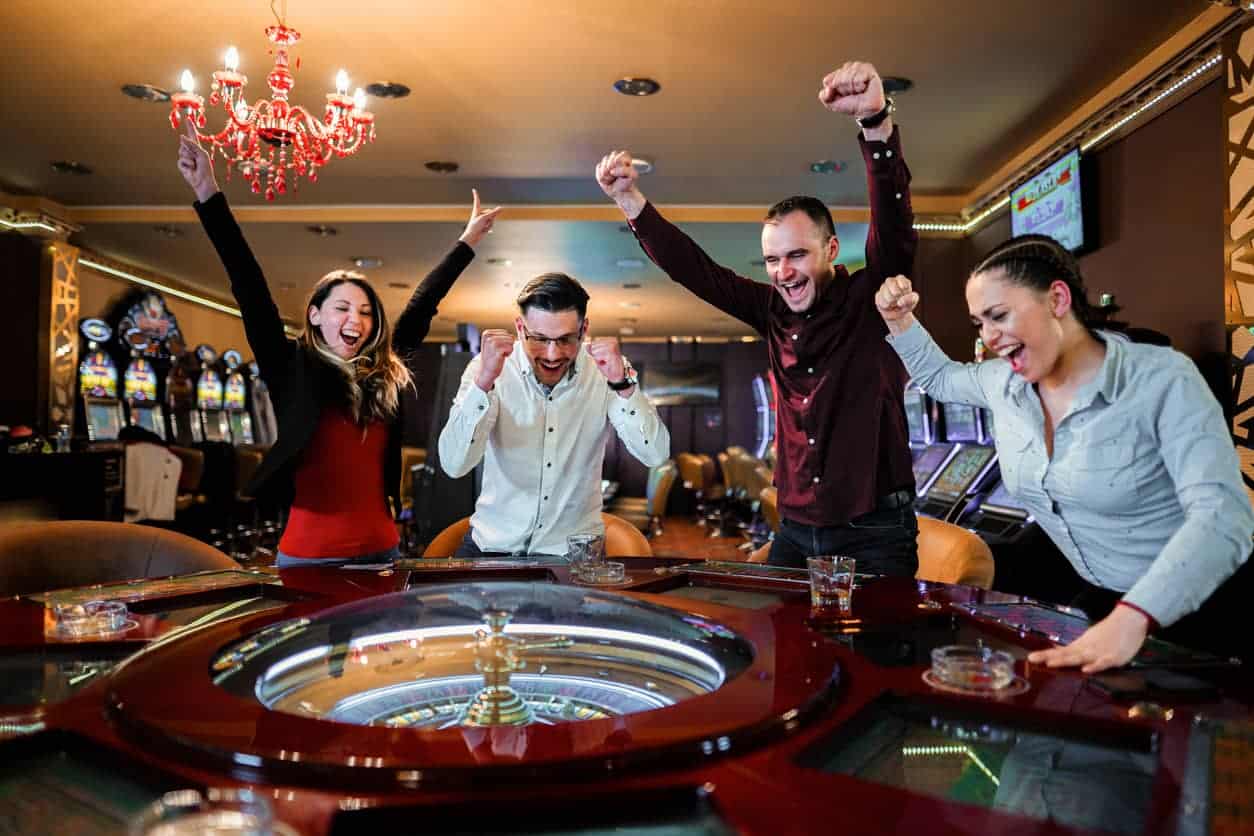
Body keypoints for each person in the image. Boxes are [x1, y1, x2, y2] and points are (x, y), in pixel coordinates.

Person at [596, 61, 919, 574]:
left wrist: (875, 123)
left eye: (796, 256)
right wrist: (629, 200)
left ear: (832, 249)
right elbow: (694, 270)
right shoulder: (768, 309)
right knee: (786, 651)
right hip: (793, 525)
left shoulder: (869, 298)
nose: (783, 273)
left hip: (872, 528)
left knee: (876, 653)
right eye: (772, 260)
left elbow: (894, 229)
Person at [875, 234, 1254, 671]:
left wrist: (1135, 617)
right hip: (1102, 598)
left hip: (1198, 605)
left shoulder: (1160, 379)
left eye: (998, 316)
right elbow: (939, 379)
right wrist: (898, 319)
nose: (989, 337)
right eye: (980, 323)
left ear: (1057, 298)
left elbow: (1224, 516)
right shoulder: (1004, 383)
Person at [177, 119, 501, 568]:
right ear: (315, 315)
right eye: (343, 309)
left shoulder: (383, 372)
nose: (358, 320)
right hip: (305, 557)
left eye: (367, 311)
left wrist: (467, 242)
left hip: (381, 552)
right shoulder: (290, 368)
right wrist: (208, 192)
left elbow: (422, 305)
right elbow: (248, 284)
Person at [437, 273, 670, 556]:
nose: (551, 354)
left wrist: (622, 386)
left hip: (572, 553)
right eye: (540, 339)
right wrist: (484, 382)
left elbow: (656, 455)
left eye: (565, 340)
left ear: (584, 330)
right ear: (520, 327)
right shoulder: (485, 369)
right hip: (492, 547)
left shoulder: (606, 371)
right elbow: (454, 464)